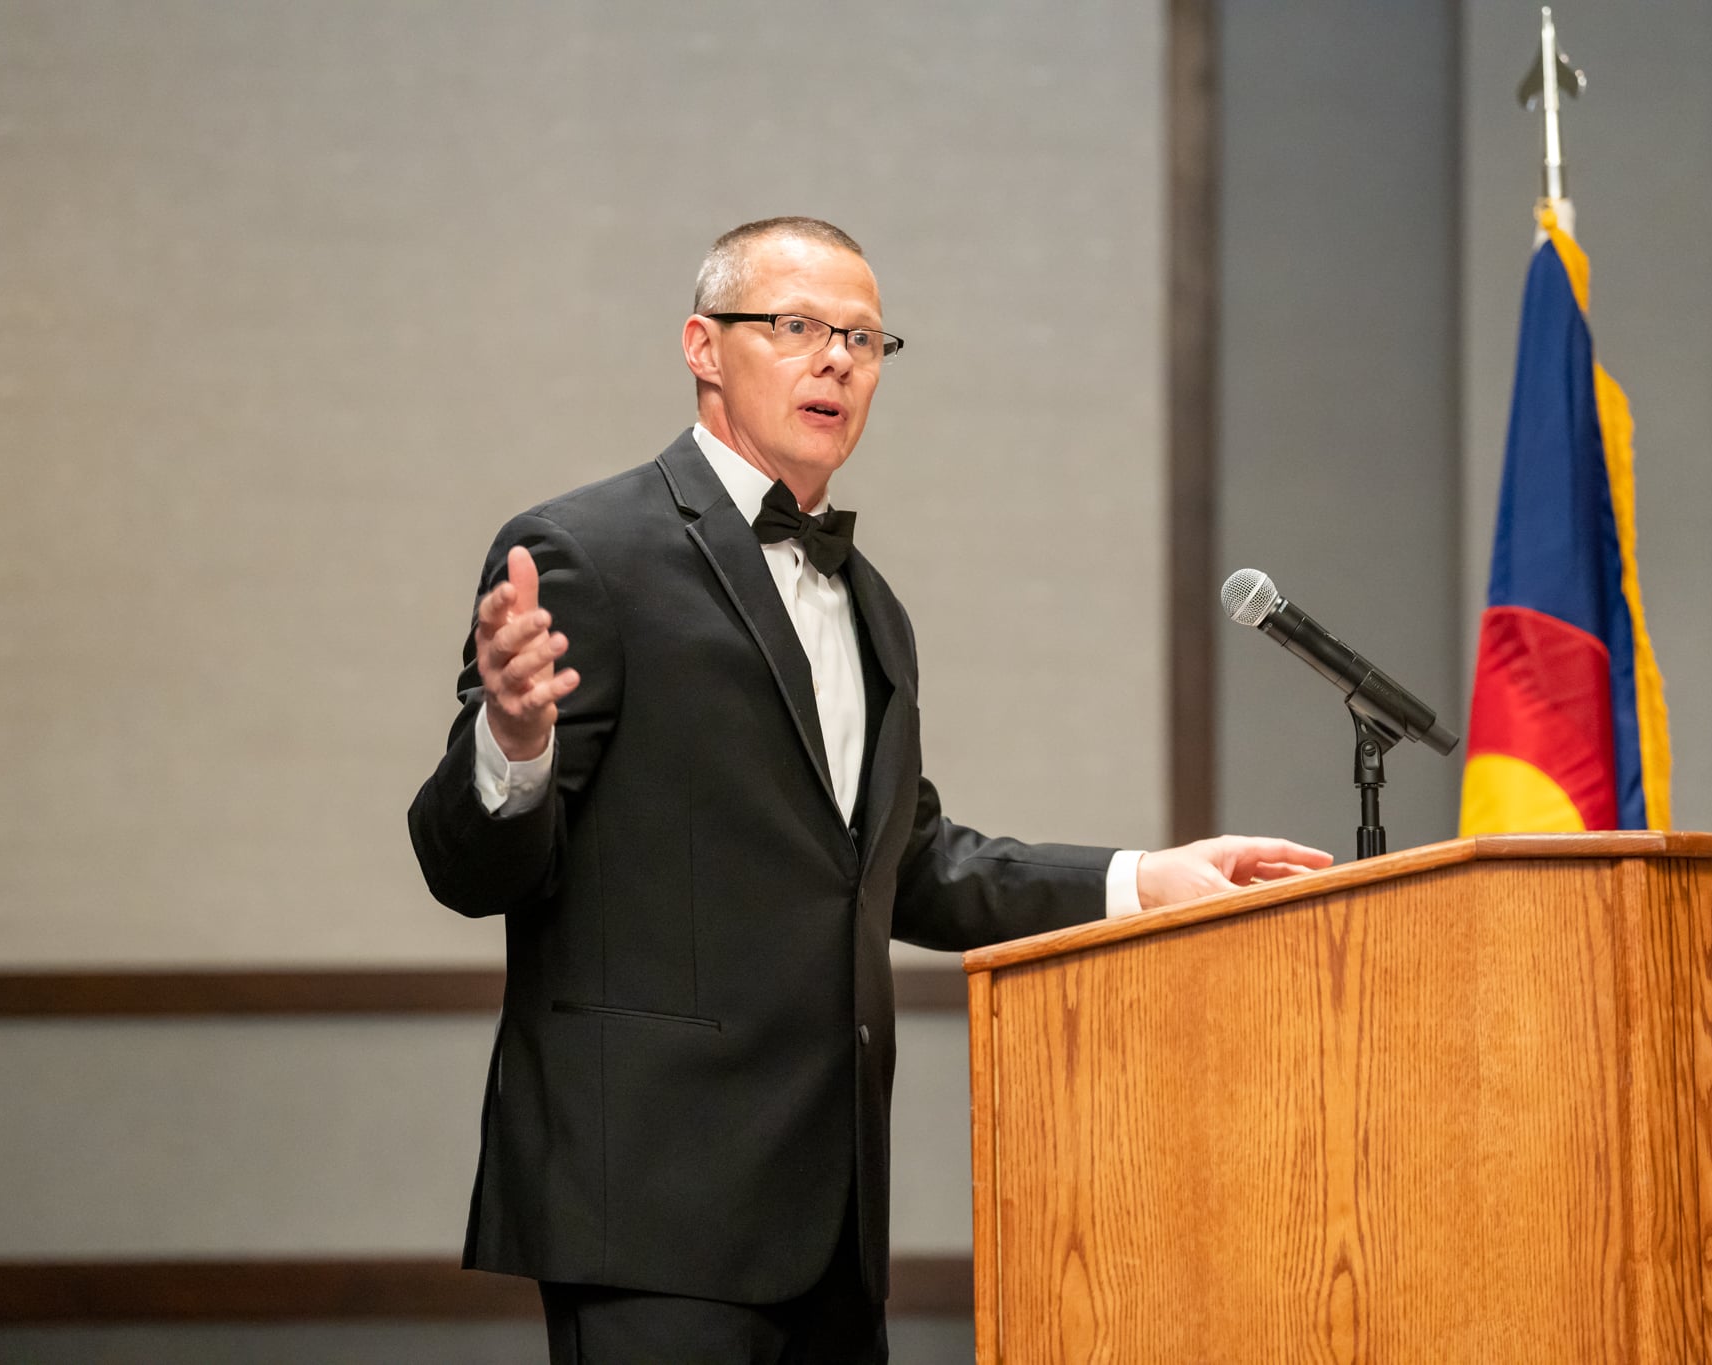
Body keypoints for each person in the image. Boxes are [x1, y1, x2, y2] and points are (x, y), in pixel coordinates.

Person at [407, 216, 1330, 1363]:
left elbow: (909, 867)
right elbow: (469, 865)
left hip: (831, 1214)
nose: (835, 358)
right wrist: (509, 733)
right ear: (703, 345)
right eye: (794, 325)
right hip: (645, 1203)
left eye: (863, 338)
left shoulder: (869, 603)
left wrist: (1144, 879)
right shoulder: (586, 552)